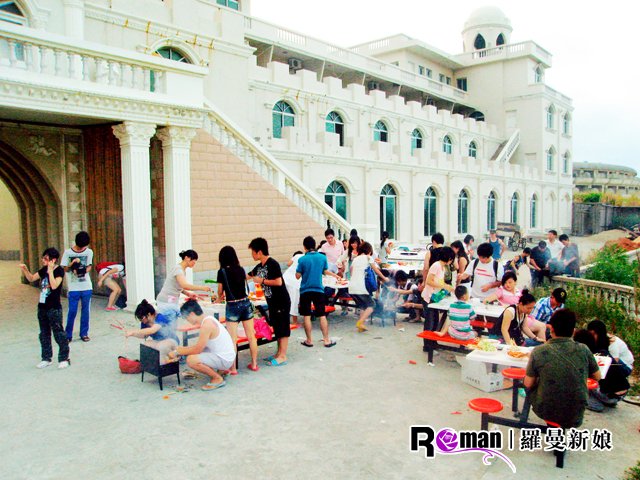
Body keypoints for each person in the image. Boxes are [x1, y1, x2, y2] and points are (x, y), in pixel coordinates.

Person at [524, 309, 600, 428]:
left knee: (530, 382)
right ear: (573, 331)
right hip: (576, 411)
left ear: (551, 329)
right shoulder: (584, 349)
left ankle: (526, 418)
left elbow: (528, 383)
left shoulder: (538, 351)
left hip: (546, 409)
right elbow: (598, 376)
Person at [19, 248, 70, 369]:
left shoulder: (59, 271)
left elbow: (54, 285)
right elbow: (32, 278)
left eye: (46, 259)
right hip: (42, 306)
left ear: (53, 260)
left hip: (54, 307)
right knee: (44, 333)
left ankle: (64, 358)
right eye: (43, 258)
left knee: (58, 333)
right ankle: (46, 358)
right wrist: (25, 270)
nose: (43, 260)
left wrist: (51, 271)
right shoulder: (43, 269)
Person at [170, 300, 236, 391]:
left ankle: (217, 379)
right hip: (228, 356)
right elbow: (200, 346)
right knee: (195, 353)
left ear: (192, 314)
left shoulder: (206, 325)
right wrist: (181, 349)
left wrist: (178, 351)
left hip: (225, 360)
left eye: (186, 318)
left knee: (191, 360)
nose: (187, 321)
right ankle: (221, 371)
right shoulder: (209, 319)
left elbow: (197, 349)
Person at [248, 237, 292, 366]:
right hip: (272, 302)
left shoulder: (273, 264)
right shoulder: (259, 267)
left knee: (283, 328)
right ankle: (278, 353)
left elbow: (278, 282)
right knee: (277, 327)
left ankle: (283, 355)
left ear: (259, 252)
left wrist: (261, 281)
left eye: (253, 252)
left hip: (281, 301)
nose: (252, 255)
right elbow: (247, 275)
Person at [216, 246, 258, 373]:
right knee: (251, 336)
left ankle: (233, 368)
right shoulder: (241, 269)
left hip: (232, 305)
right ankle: (254, 364)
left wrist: (220, 297)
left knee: (232, 339)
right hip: (245, 303)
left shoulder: (222, 272)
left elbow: (220, 292)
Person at [296, 236, 341, 345]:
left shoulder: (302, 259)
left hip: (305, 290)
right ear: (314, 245)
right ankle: (326, 340)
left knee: (306, 315)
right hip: (318, 289)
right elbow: (324, 271)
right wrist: (335, 275)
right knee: (322, 315)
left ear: (305, 247)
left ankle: (309, 340)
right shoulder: (322, 257)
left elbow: (297, 276)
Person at [156, 249, 211, 325]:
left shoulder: (181, 270)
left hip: (171, 301)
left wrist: (188, 294)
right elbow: (184, 285)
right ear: (187, 258)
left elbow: (177, 287)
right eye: (194, 260)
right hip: (166, 302)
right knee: (169, 326)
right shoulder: (178, 269)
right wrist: (202, 288)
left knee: (171, 325)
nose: (194, 263)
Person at [347, 241, 388, 332]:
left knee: (363, 306)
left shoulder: (355, 259)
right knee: (372, 305)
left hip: (352, 287)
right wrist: (384, 278)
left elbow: (351, 272)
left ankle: (361, 327)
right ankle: (360, 322)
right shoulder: (368, 257)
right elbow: (376, 270)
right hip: (361, 288)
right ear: (369, 251)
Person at [61, 231, 93, 342]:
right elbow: (65, 268)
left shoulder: (89, 252)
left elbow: (89, 266)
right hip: (73, 287)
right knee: (72, 311)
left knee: (86, 311)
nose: (82, 249)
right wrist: (72, 265)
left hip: (86, 286)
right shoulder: (67, 252)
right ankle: (68, 334)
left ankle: (84, 333)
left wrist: (82, 270)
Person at [126, 300, 179, 365]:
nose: (141, 320)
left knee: (160, 346)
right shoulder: (145, 322)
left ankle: (172, 359)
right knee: (146, 344)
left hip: (171, 341)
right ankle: (159, 361)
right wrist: (132, 334)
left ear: (149, 314)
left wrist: (134, 331)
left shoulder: (160, 317)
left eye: (141, 318)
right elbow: (144, 335)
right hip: (159, 341)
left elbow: (153, 330)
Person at [588, 320, 634, 385]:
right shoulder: (596, 342)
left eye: (594, 334)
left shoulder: (612, 343)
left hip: (624, 366)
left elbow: (615, 363)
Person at [421, 246, 456, 331]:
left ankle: (432, 337)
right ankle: (427, 339)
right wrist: (444, 286)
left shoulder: (443, 267)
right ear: (449, 258)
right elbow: (429, 281)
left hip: (435, 297)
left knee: (435, 321)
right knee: (430, 322)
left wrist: (448, 287)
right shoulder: (436, 265)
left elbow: (440, 281)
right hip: (429, 297)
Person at [283, 250, 304, 324]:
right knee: (294, 301)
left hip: (285, 278)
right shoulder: (309, 258)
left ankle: (285, 319)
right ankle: (294, 322)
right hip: (295, 281)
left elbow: (288, 264)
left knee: (285, 299)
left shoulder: (297, 255)